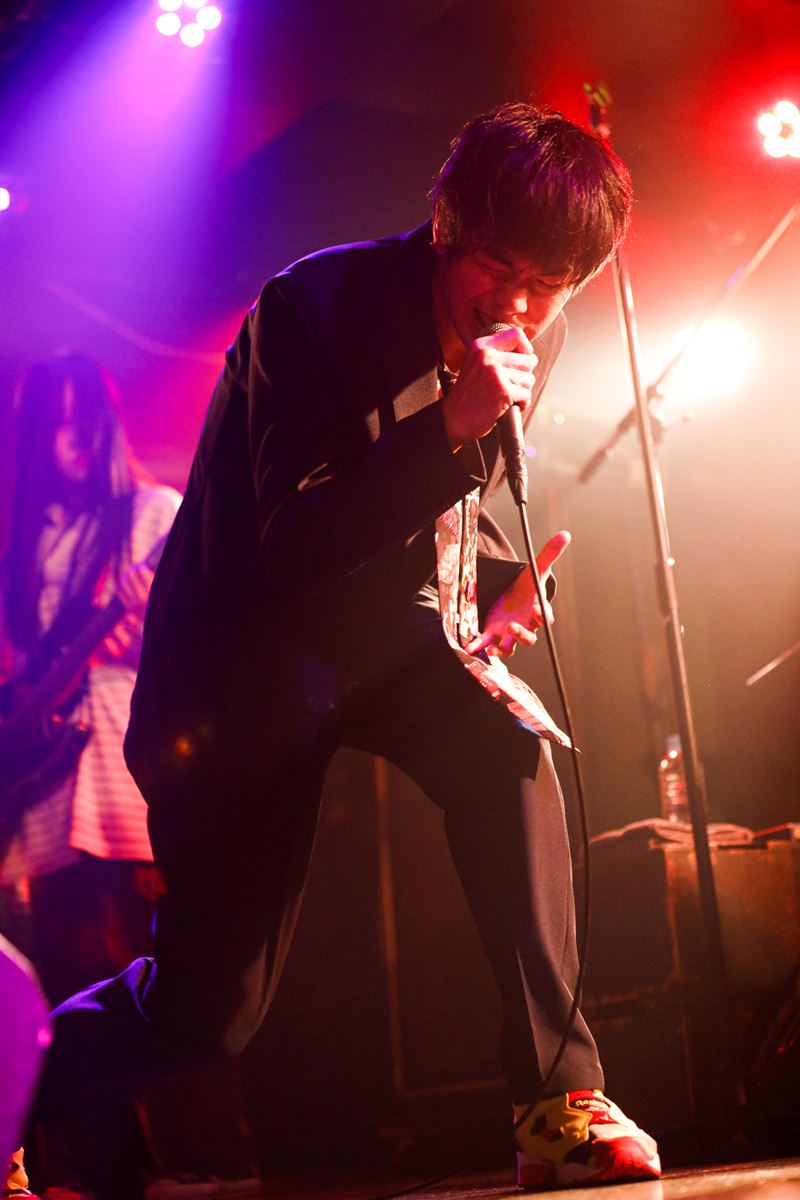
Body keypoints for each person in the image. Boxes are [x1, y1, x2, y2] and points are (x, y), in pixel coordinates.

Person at [31, 104, 661, 1192]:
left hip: (385, 640)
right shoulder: (310, 308)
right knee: (205, 1013)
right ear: (448, 226)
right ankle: (8, 1087)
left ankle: (557, 1099)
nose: (515, 306)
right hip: (241, 673)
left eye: (547, 285)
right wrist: (451, 427)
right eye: (499, 270)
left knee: (507, 741)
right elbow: (293, 543)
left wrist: (497, 590)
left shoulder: (533, 334)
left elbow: (445, 512)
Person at [0, 354, 180, 1198]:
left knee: (152, 974)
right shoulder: (24, 543)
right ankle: (94, 1174)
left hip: (125, 775)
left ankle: (188, 1163)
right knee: (68, 979)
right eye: (54, 423)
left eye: (82, 419)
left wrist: (138, 636)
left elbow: (197, 639)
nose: (69, 439)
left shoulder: (152, 516)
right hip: (45, 792)